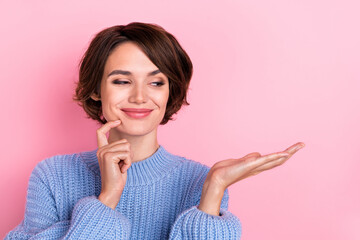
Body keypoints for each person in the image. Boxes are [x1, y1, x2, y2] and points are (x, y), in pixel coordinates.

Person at [5, 22, 304, 239]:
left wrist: (213, 191)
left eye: (156, 82)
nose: (139, 97)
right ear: (96, 89)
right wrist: (107, 198)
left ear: (170, 91)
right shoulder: (53, 175)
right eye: (122, 81)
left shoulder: (199, 180)